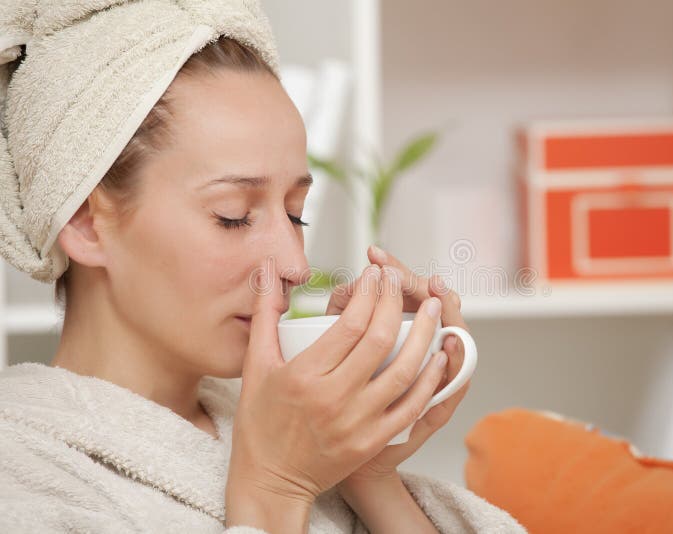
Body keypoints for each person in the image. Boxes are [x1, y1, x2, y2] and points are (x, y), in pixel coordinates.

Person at [0, 1, 525, 532]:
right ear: (88, 222)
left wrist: (363, 471)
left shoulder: (293, 432)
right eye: (233, 217)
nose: (295, 265)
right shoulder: (22, 471)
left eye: (296, 216)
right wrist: (275, 489)